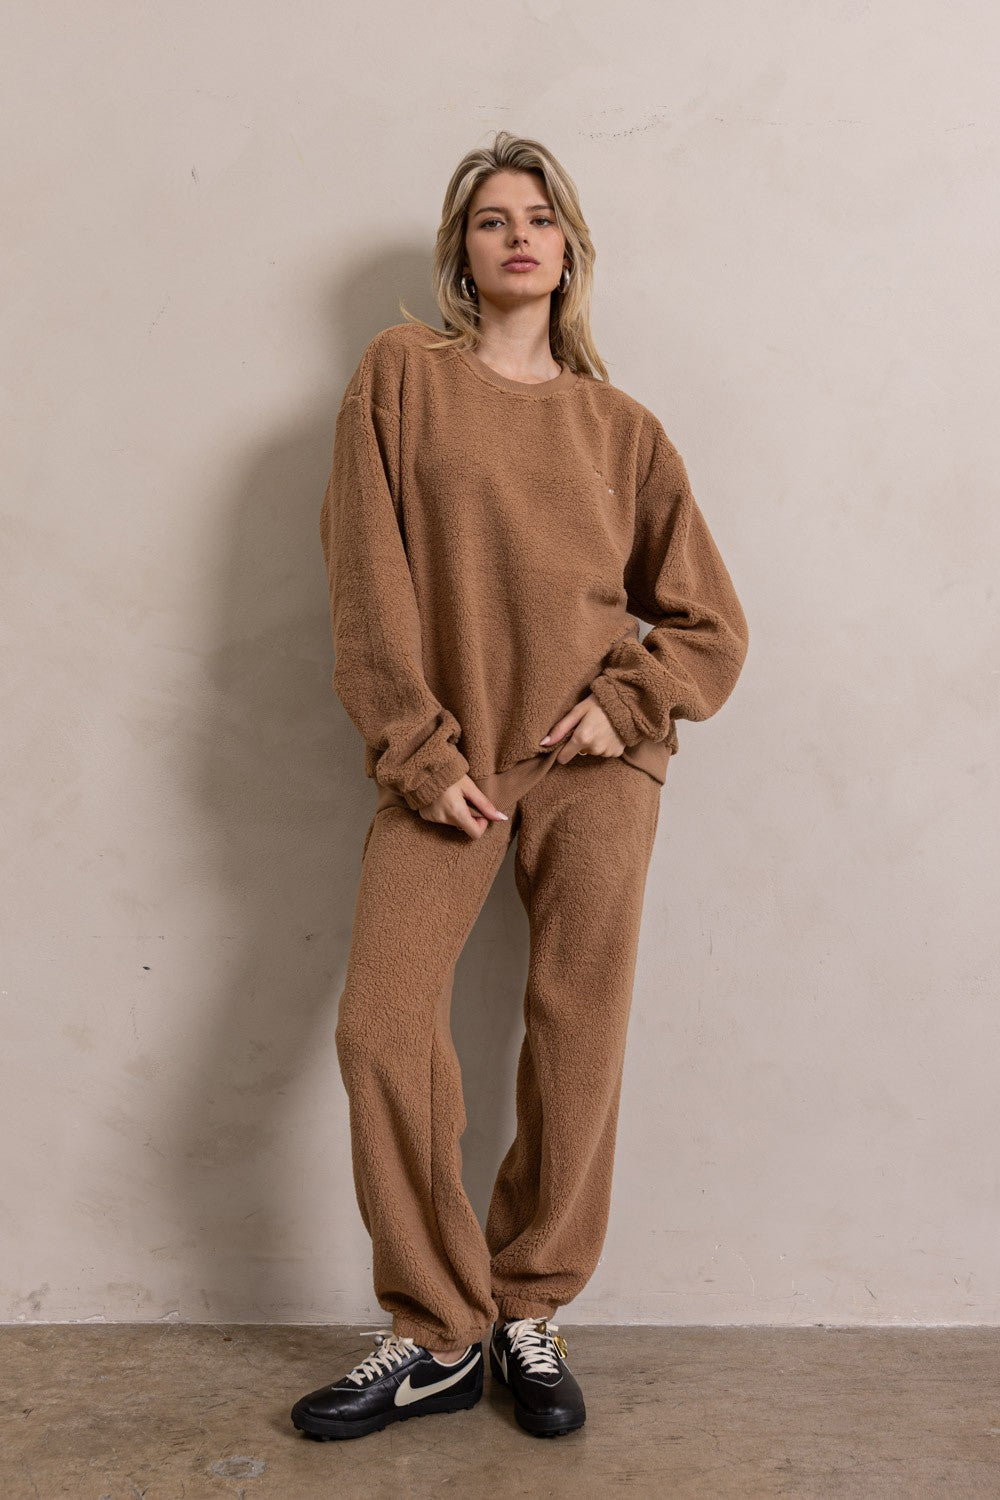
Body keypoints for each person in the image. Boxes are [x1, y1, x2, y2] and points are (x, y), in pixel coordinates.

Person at [291, 129, 749, 1443]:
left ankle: (527, 1306)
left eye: (540, 217)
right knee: (382, 1027)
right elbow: (367, 589)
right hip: (447, 764)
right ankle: (439, 1328)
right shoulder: (401, 378)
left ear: (571, 249)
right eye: (493, 219)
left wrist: (625, 706)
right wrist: (419, 753)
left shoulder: (623, 429)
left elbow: (710, 626)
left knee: (576, 1035)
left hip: (596, 768)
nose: (519, 237)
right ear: (462, 251)